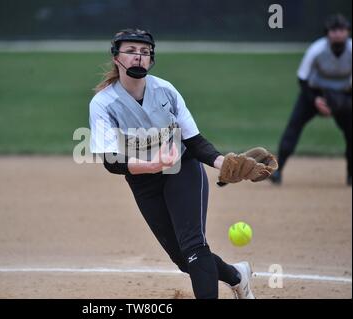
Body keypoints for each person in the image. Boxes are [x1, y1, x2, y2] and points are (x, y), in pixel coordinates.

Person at [89, 28, 277, 299]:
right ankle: (237, 276)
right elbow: (111, 160)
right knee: (181, 258)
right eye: (131, 51)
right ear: (116, 57)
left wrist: (224, 163)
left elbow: (195, 141)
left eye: (144, 52)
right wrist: (151, 165)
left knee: (193, 246)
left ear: (151, 58)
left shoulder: (166, 91)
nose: (138, 57)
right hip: (143, 180)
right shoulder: (103, 103)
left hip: (182, 168)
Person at [270, 14, 352, 186]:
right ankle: (279, 171)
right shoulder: (317, 49)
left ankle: (350, 175)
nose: (338, 33)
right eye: (334, 30)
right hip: (314, 94)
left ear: (347, 32)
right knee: (293, 128)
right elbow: (302, 78)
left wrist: (344, 102)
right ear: (327, 33)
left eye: (342, 30)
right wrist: (315, 100)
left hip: (343, 95)